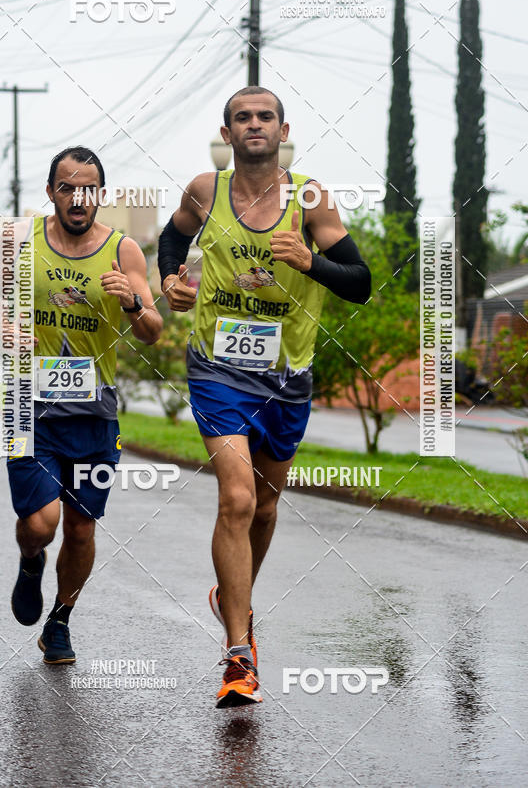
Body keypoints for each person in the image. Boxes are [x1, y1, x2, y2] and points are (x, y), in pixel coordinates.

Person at [158, 87, 371, 707]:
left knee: (268, 508)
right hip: (217, 368)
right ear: (227, 133)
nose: (254, 125)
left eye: (265, 117)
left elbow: (358, 284)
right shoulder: (206, 190)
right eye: (242, 118)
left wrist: (310, 262)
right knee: (238, 495)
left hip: (286, 377)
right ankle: (238, 651)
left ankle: (234, 599)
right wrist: (174, 279)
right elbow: (172, 241)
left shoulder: (309, 198)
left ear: (284, 130)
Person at [0, 146, 162, 664]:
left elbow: (152, 331)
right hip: (27, 407)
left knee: (81, 526)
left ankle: (60, 620)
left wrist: (130, 299)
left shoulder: (124, 251)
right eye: (67, 187)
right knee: (42, 523)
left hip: (95, 414)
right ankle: (31, 558)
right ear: (51, 192)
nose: (78, 198)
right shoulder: (20, 240)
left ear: (100, 195)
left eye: (88, 189)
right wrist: (6, 329)